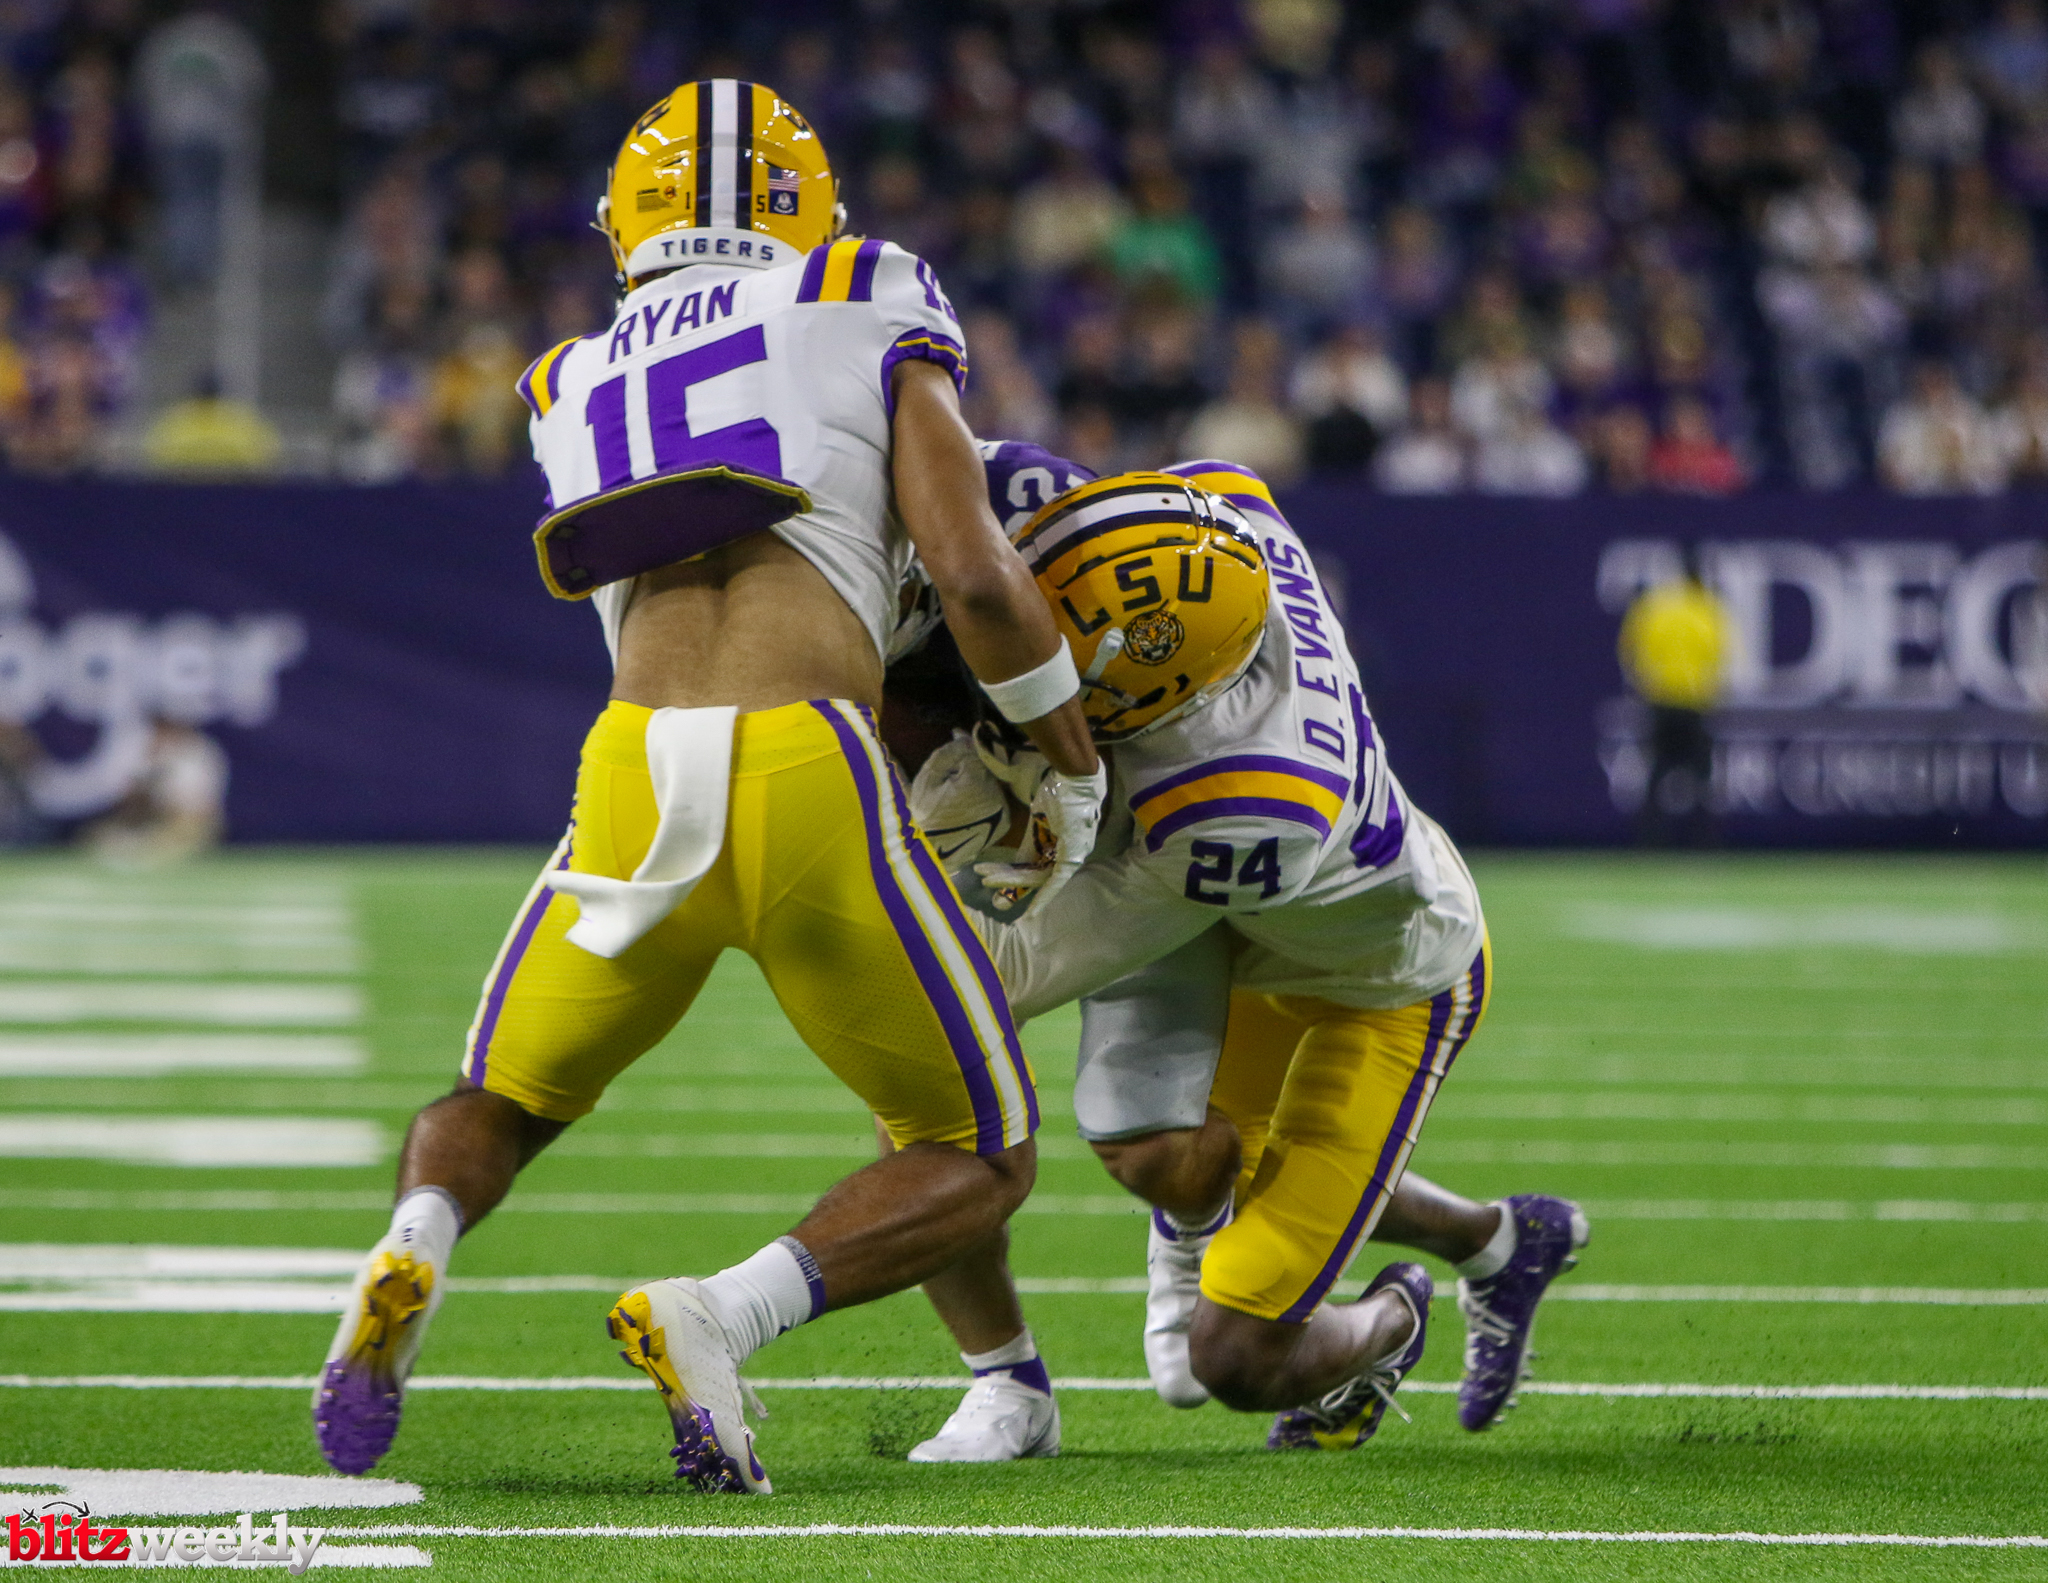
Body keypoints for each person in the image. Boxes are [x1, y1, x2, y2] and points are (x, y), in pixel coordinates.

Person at [313, 79, 1105, 1494]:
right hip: (803, 760)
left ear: (627, 223)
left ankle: (411, 1242)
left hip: (629, 767)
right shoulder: (864, 287)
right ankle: (725, 1310)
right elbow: (975, 573)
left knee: (502, 1095)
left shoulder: (562, 376)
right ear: (810, 206)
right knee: (977, 1151)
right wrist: (1071, 755)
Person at [882, 444, 1586, 1460]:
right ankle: (1498, 1238)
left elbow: (1009, 971)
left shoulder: (1239, 809)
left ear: (1147, 696)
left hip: (1382, 980)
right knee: (1167, 1156)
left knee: (1229, 1357)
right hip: (1261, 923)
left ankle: (1392, 1317)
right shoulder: (1220, 518)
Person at [1617, 551, 1733, 846]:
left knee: (1657, 775)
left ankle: (1649, 841)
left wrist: (1645, 682)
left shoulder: (1656, 606)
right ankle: (1702, 842)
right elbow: (1719, 655)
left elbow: (1630, 649)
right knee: (1701, 778)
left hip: (1660, 701)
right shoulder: (1707, 609)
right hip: (1695, 704)